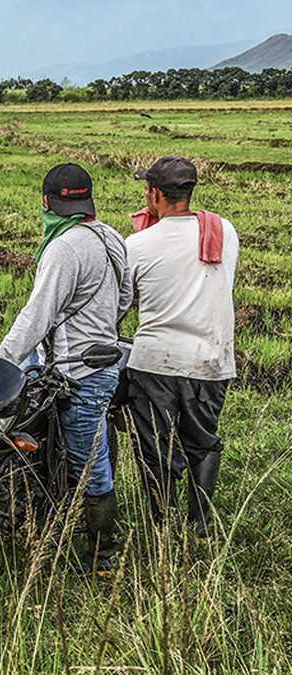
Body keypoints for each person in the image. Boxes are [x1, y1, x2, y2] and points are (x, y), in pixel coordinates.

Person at [0, 163, 131, 573]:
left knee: (90, 460)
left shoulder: (63, 248)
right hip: (98, 361)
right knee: (44, 442)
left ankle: (104, 554)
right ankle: (44, 518)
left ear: (46, 204)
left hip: (78, 372)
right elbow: (124, 300)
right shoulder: (111, 238)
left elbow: (37, 316)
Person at [125, 157, 238, 537]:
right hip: (210, 360)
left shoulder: (137, 244)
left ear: (155, 194)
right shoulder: (222, 231)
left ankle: (161, 524)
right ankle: (201, 524)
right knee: (203, 443)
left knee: (155, 447)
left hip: (154, 360)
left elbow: (127, 300)